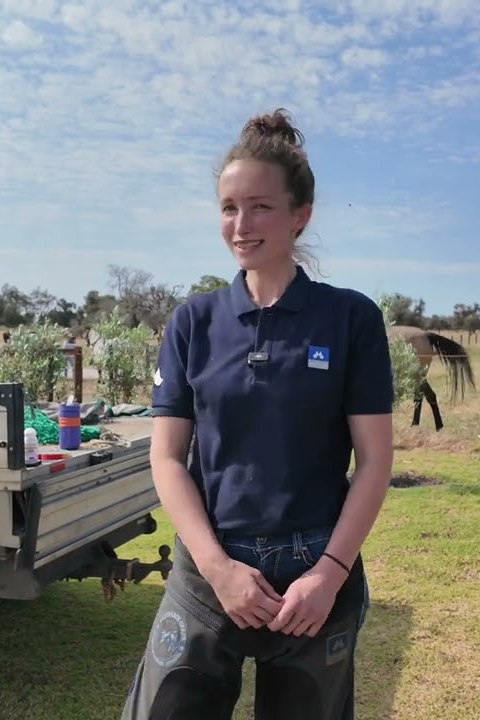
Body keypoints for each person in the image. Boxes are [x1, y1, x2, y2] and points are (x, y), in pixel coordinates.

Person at [119, 108, 395, 720]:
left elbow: (375, 460)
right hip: (208, 572)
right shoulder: (193, 321)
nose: (241, 225)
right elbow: (167, 459)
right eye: (228, 208)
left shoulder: (350, 319)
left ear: (301, 215)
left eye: (261, 207)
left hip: (314, 576)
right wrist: (219, 570)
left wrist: (328, 576)